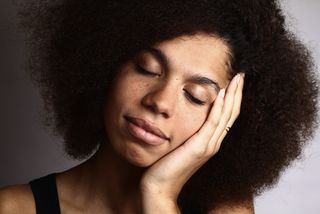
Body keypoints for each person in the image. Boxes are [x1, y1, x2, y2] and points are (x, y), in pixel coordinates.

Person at [0, 0, 318, 213]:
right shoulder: (12, 208)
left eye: (195, 95)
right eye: (147, 69)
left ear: (226, 116)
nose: (159, 102)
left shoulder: (227, 210)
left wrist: (159, 194)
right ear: (106, 64)